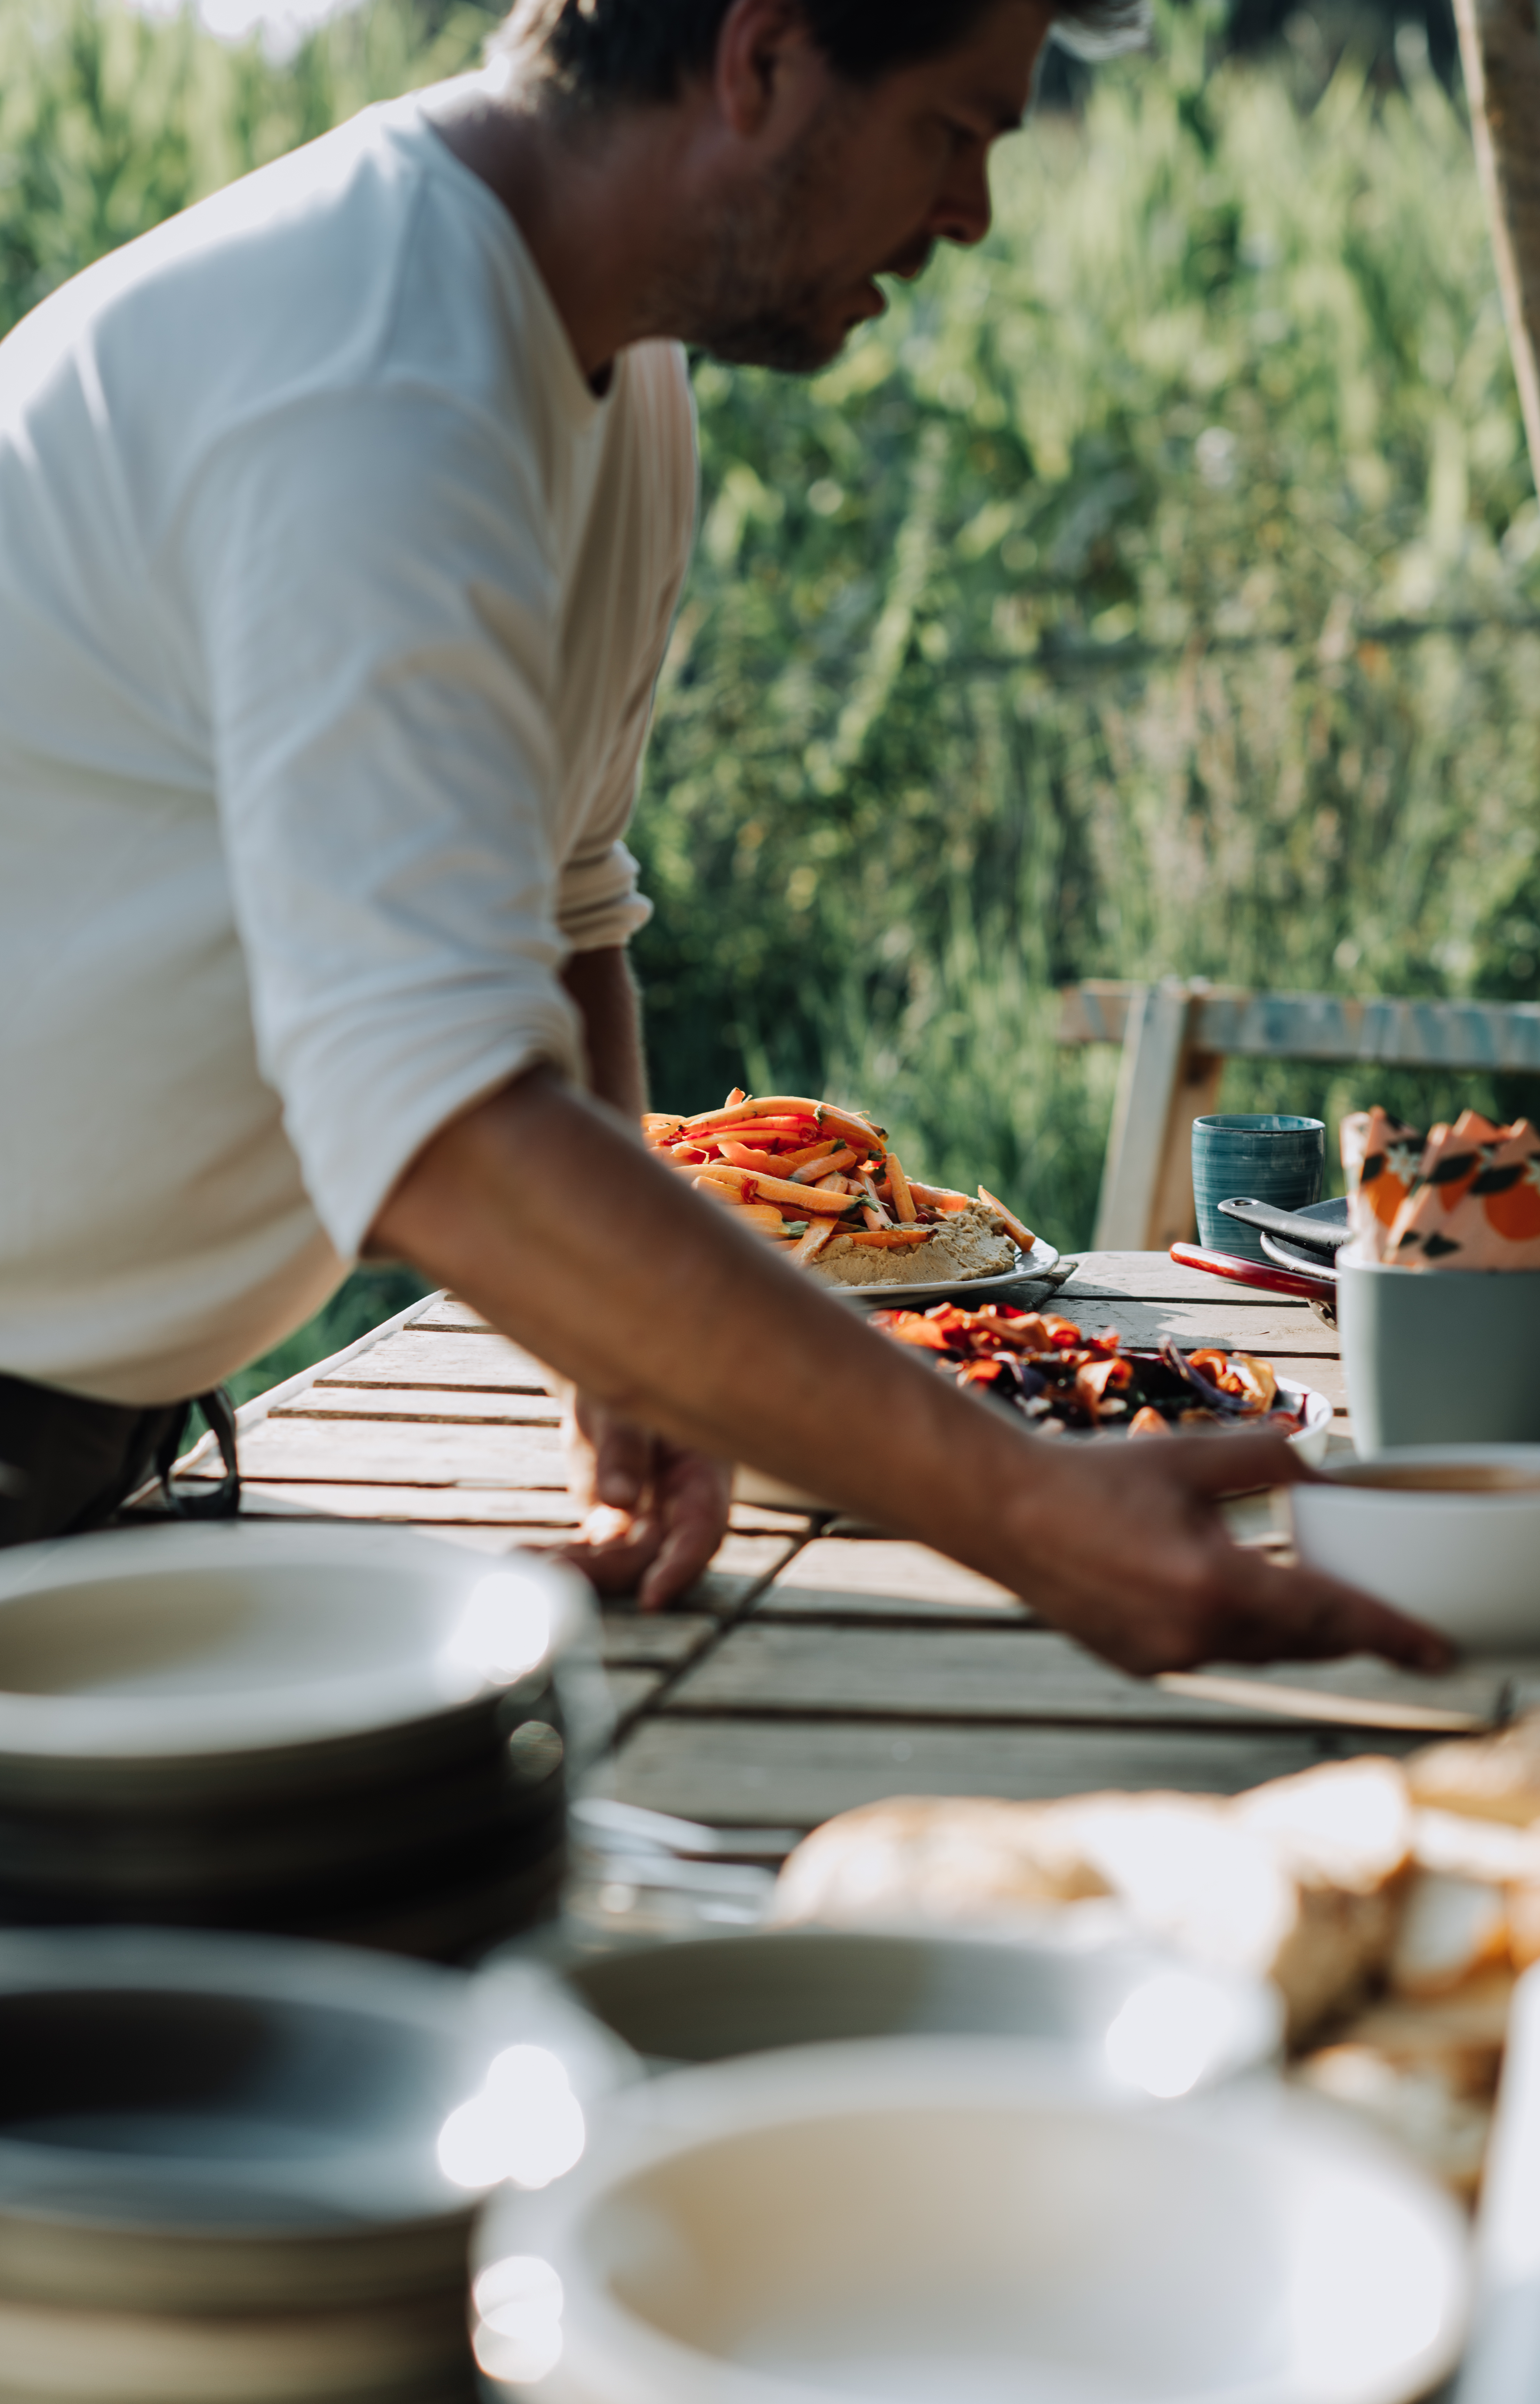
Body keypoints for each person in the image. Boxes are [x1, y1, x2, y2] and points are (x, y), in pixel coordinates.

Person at [0, 0, 1447, 1677]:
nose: (972, 210)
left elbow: (565, 918)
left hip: (99, 1426)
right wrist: (1027, 1512)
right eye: (955, 131)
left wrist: (632, 1369)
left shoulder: (620, 370)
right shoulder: (373, 361)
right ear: (760, 61)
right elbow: (439, 1126)